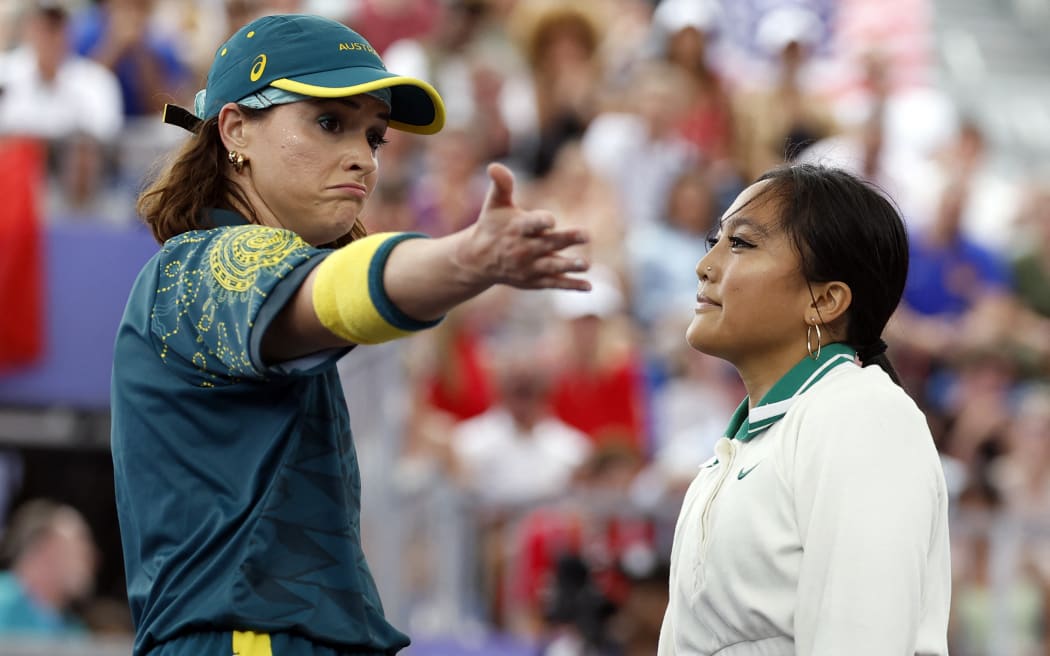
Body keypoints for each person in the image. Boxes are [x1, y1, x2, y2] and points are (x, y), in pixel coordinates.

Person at [109, 13, 590, 656]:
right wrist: (463, 260)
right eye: (329, 122)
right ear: (234, 129)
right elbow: (329, 295)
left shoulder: (211, 271)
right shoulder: (200, 265)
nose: (363, 156)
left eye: (375, 135)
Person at [657, 163, 950, 654]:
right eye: (714, 240)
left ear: (825, 300)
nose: (704, 266)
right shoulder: (744, 446)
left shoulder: (861, 415)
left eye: (742, 244)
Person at [0, 499, 98, 638]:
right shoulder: (3, 603)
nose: (92, 560)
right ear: (44, 552)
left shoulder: (75, 631)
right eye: (79, 550)